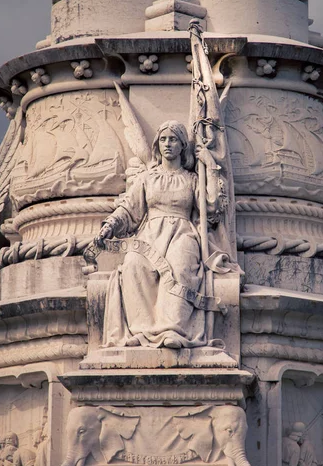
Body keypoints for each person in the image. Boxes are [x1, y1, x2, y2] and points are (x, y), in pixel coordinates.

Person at [94, 120, 226, 349]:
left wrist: (210, 164)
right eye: (163, 139)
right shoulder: (148, 178)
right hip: (150, 235)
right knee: (134, 265)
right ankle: (142, 330)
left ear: (182, 145)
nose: (167, 144)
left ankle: (173, 329)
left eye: (173, 139)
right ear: (157, 144)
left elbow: (212, 207)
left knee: (180, 267)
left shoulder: (193, 179)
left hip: (182, 234)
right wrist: (110, 225)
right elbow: (129, 209)